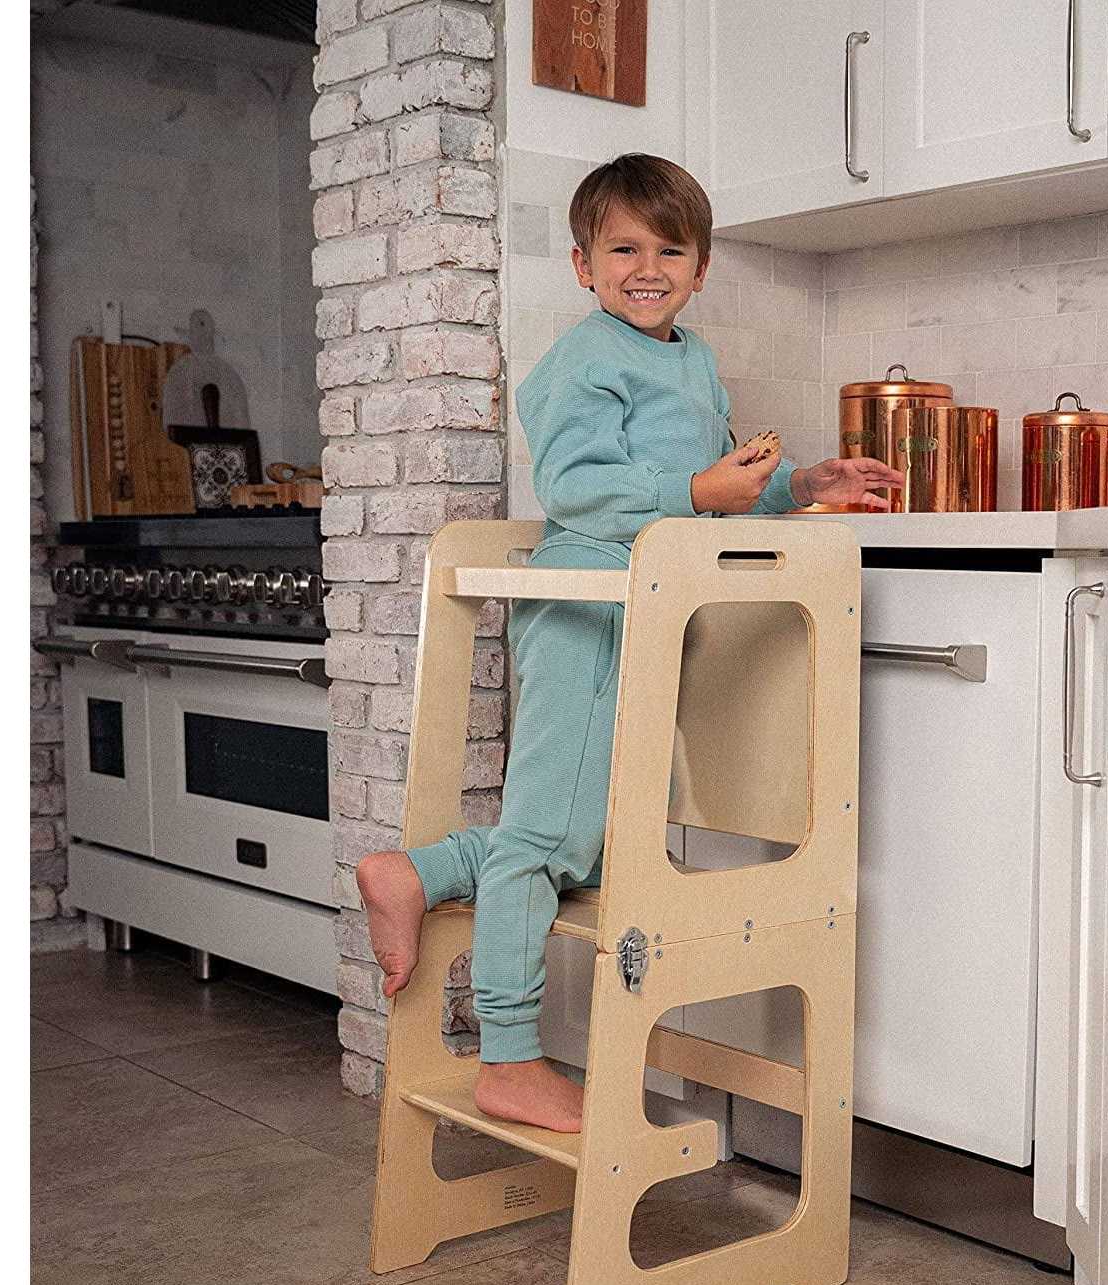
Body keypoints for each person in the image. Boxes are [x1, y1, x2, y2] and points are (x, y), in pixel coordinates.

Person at [357, 154, 903, 1133]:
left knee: (590, 845)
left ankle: (419, 874)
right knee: (540, 840)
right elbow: (575, 488)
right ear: (582, 264)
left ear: (701, 270)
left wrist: (806, 484)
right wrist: (694, 495)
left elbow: (716, 483)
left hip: (649, 603)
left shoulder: (690, 360)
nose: (645, 266)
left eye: (669, 249)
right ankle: (511, 1056)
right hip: (586, 603)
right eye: (622, 247)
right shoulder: (586, 358)